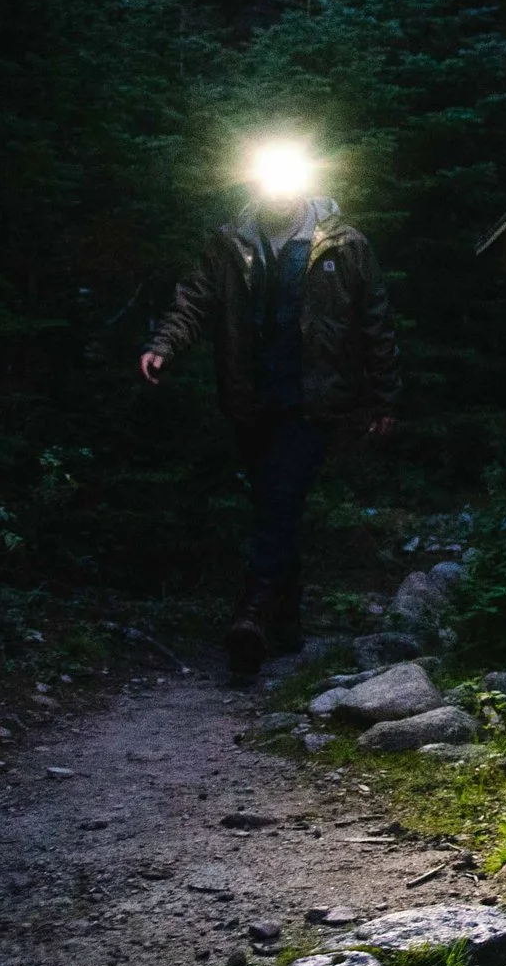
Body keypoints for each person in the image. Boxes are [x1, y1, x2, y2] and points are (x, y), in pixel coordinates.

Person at [139, 150, 398, 678]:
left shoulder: (344, 245)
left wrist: (383, 397)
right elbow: (195, 299)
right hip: (251, 399)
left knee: (280, 497)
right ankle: (286, 620)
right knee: (273, 507)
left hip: (314, 401)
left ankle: (251, 615)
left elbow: (374, 319)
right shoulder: (232, 243)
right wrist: (165, 344)